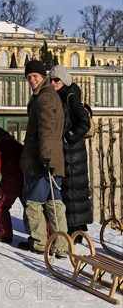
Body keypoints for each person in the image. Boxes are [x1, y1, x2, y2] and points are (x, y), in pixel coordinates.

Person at [18, 60, 68, 257]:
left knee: (33, 202)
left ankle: (39, 243)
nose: (31, 80)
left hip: (42, 160)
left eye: (35, 76)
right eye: (28, 77)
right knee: (54, 203)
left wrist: (45, 156)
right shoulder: (49, 94)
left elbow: (46, 129)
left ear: (43, 77)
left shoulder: (44, 98)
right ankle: (62, 247)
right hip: (53, 158)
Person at [49, 66, 93, 243]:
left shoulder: (70, 97)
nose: (52, 83)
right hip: (69, 152)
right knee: (72, 192)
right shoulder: (60, 95)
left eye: (56, 80)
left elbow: (84, 123)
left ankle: (75, 233)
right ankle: (77, 230)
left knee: (74, 192)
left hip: (73, 153)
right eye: (50, 80)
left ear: (64, 81)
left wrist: (68, 137)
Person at [0, 127, 24, 244]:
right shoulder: (17, 145)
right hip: (25, 181)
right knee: (31, 208)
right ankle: (43, 236)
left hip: (10, 183)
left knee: (0, 206)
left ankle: (4, 235)